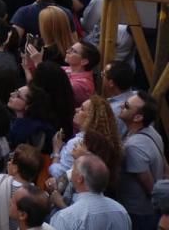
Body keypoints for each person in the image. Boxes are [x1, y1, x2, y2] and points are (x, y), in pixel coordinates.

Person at [117, 91, 165, 230]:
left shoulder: (133, 147)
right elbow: (166, 167)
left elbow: (149, 187)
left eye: (126, 106)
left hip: (139, 215)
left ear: (138, 117)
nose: (121, 105)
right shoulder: (151, 131)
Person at [49, 153, 131, 230]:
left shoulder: (65, 217)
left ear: (80, 179)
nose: (70, 173)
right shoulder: (121, 212)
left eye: (73, 170)